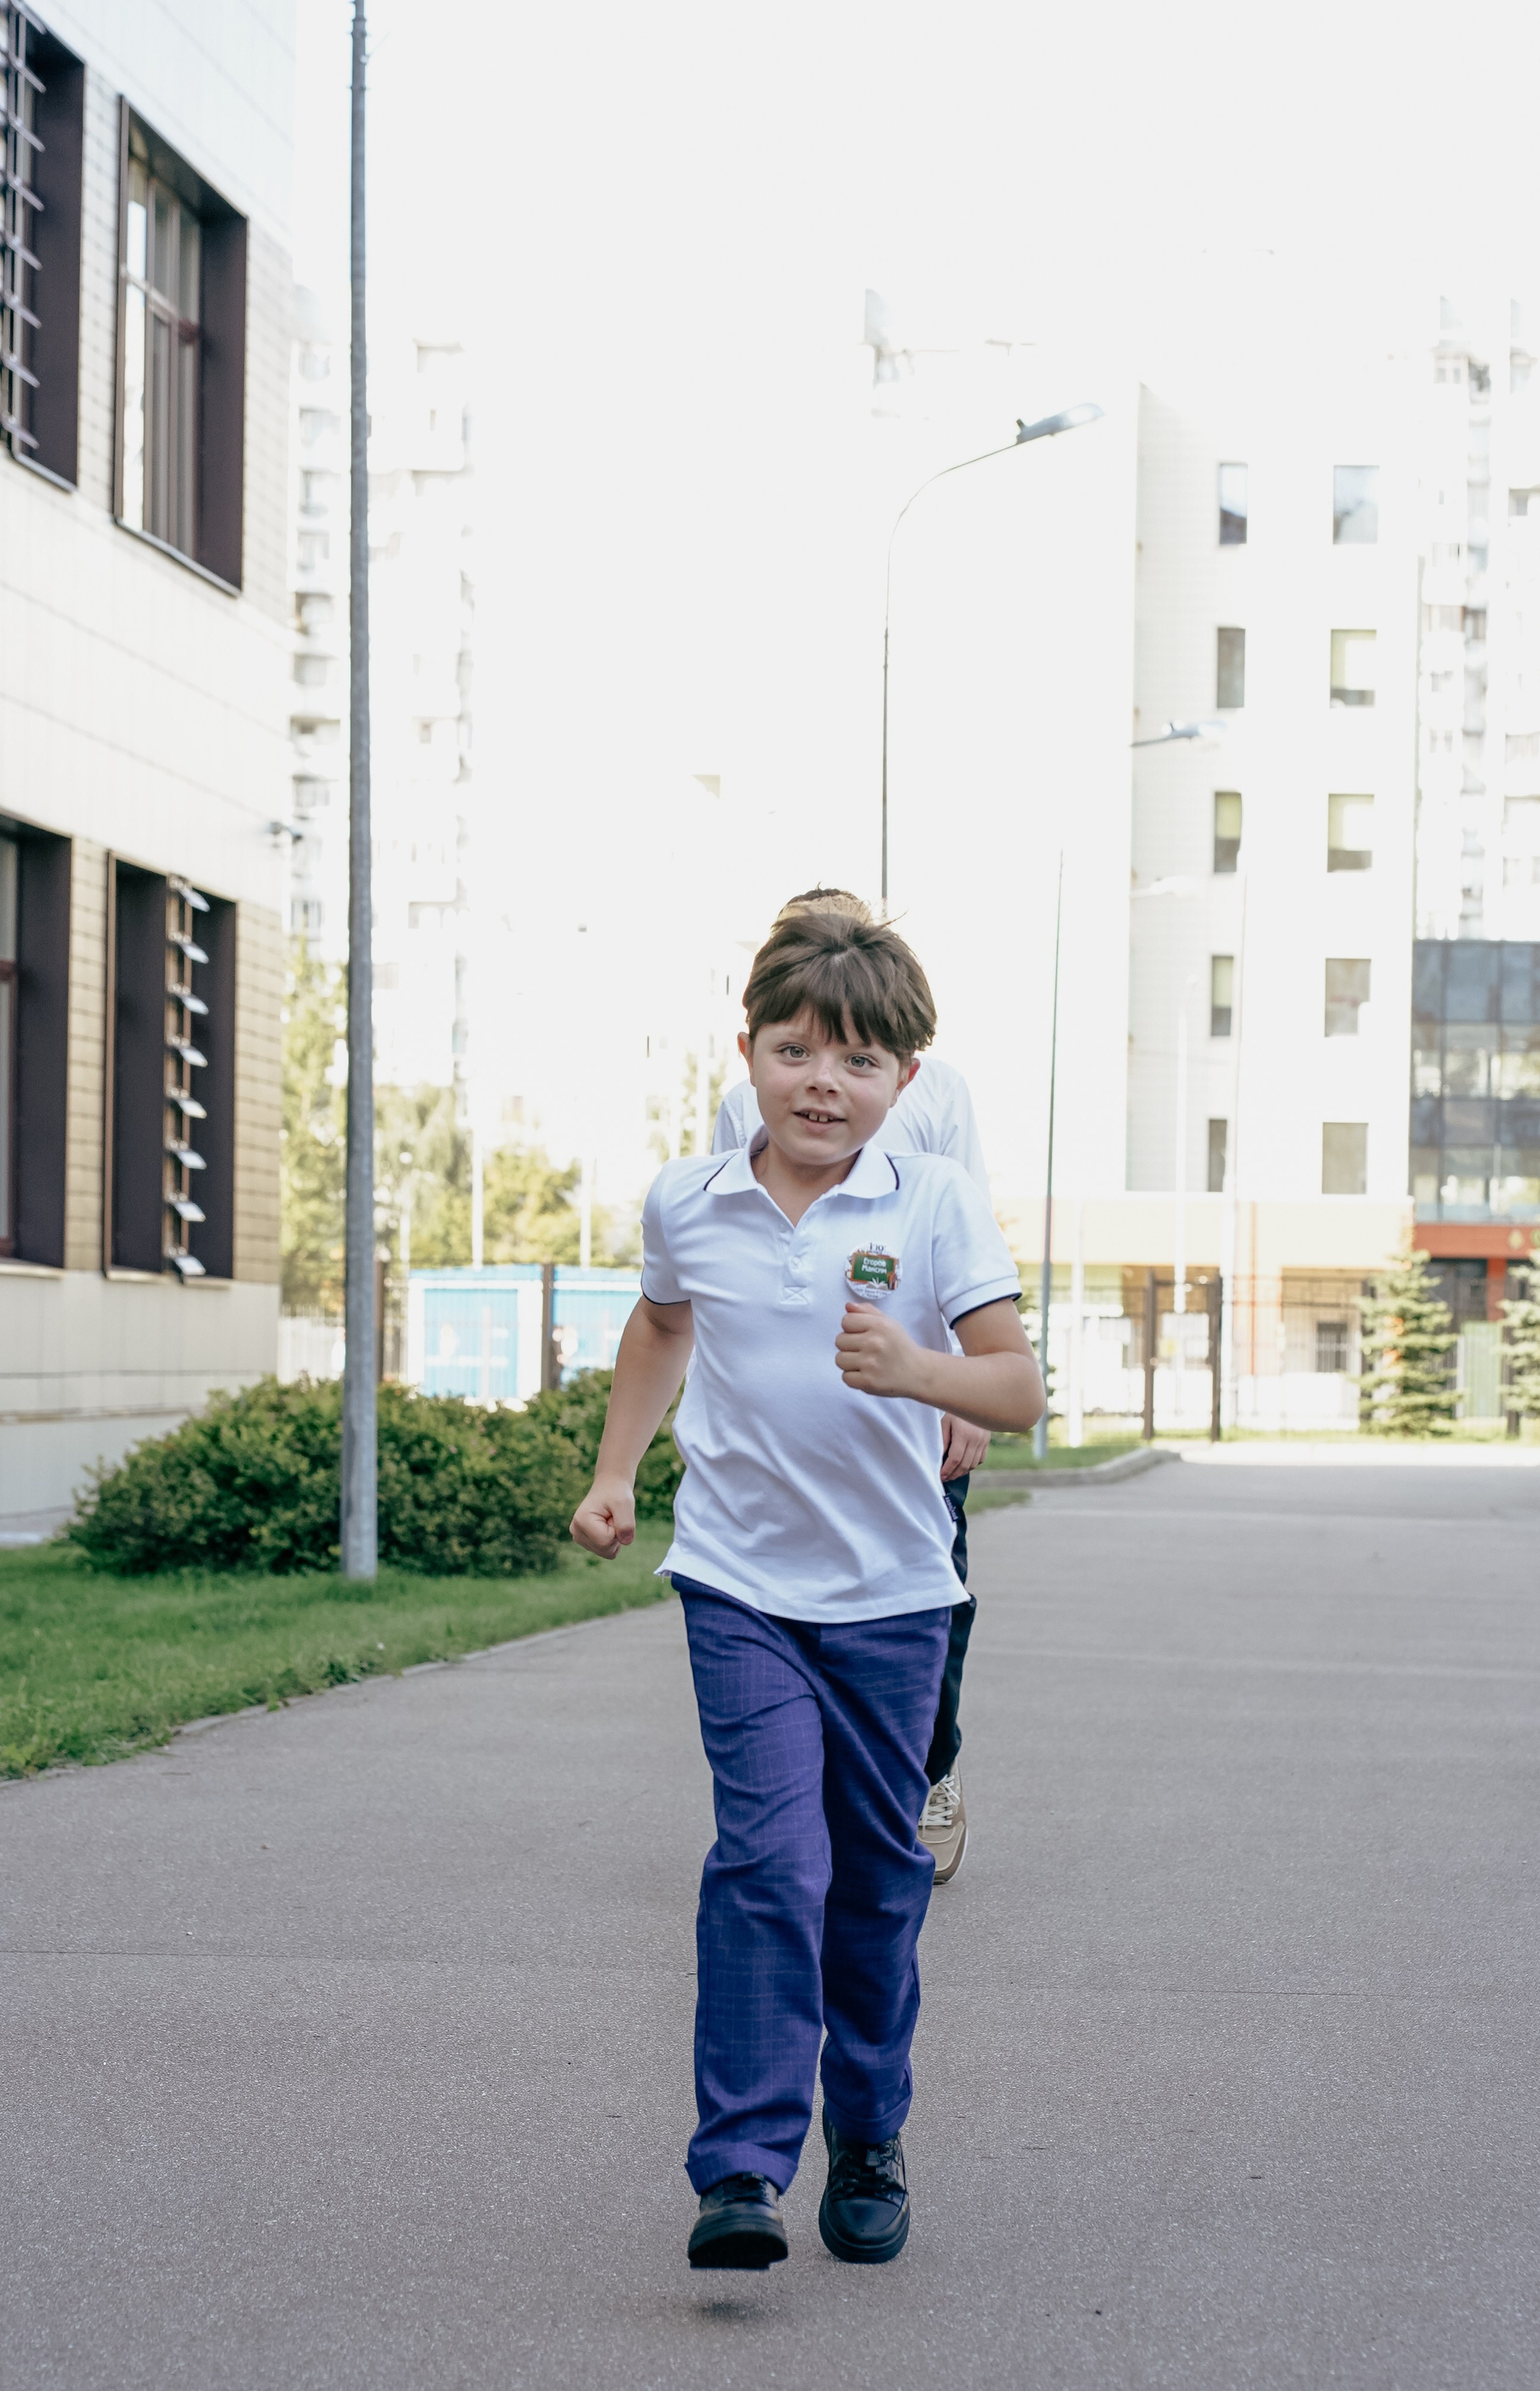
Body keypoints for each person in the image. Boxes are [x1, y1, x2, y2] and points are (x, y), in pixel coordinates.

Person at [571, 907, 1043, 2271]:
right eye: (795, 1051)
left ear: (904, 1082)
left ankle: (872, 2133)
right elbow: (662, 1321)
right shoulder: (689, 1199)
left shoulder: (936, 1202)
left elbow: (1014, 1387)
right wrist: (616, 1470)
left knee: (876, 1880)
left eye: (857, 1060)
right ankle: (738, 2170)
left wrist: (921, 1373)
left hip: (893, 1594)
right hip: (736, 1583)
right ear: (748, 1056)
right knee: (768, 1862)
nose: (822, 1082)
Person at [713, 888, 990, 1884]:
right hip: (786, 1413)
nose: (824, 1080)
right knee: (774, 1612)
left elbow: (972, 1251)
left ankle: (931, 1772)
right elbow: (717, 1253)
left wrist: (955, 1388)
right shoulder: (749, 1094)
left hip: (912, 1399)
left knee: (933, 1593)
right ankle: (802, 1803)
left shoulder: (938, 1093)